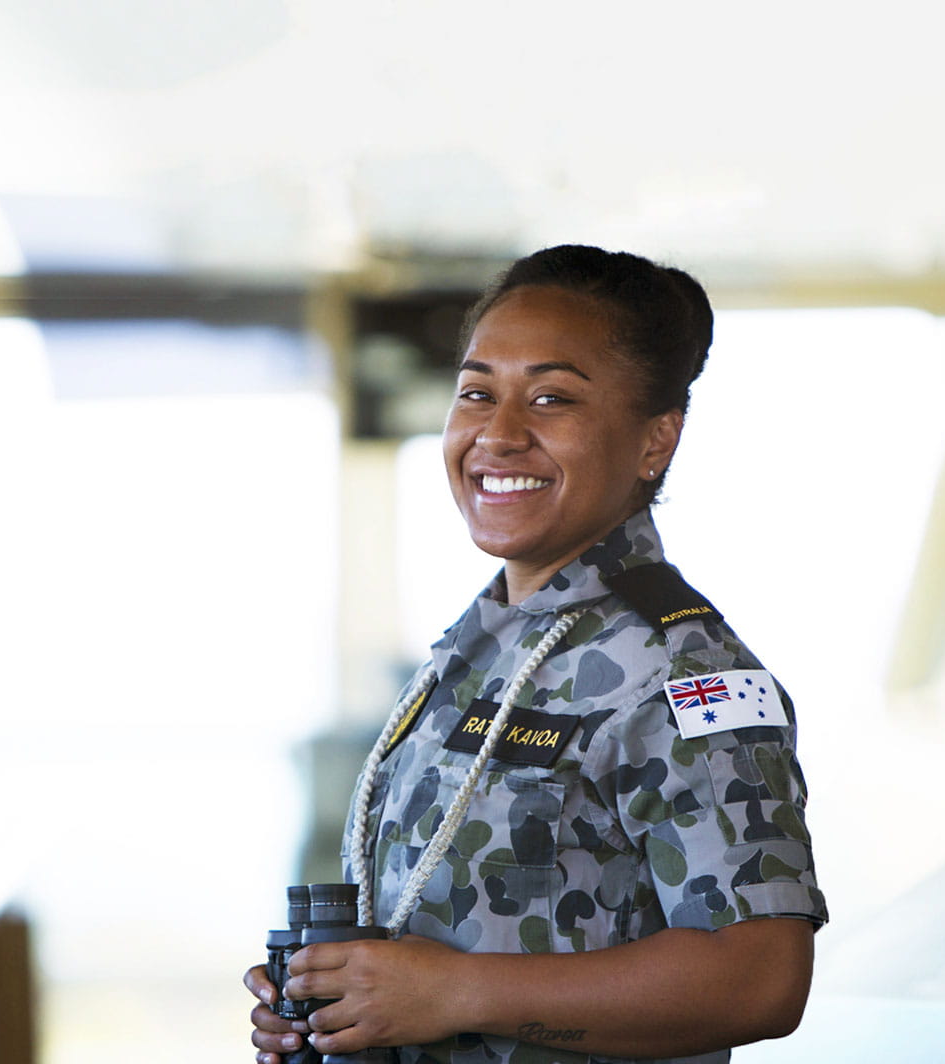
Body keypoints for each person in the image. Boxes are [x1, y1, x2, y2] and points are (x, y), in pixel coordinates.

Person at [244, 245, 826, 1063]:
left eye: (551, 398)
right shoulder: (478, 650)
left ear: (656, 439)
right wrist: (338, 999)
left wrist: (451, 992)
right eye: (477, 392)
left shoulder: (684, 670)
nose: (499, 433)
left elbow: (759, 978)